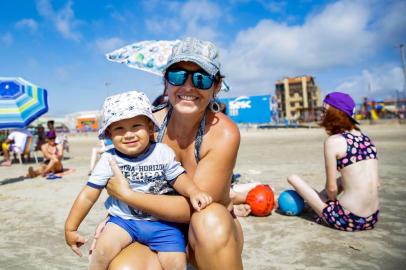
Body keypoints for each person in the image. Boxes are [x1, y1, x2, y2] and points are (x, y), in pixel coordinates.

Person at [88, 37, 244, 269]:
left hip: (206, 237)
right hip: (156, 229)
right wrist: (114, 219)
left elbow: (195, 207)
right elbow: (125, 175)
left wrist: (128, 196)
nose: (188, 87)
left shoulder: (223, 133)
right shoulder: (146, 126)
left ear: (216, 86)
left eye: (201, 78)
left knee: (209, 219)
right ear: (166, 80)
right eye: (178, 76)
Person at [65, 91, 213, 270]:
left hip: (164, 224)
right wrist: (71, 228)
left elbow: (178, 177)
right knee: (100, 252)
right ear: (110, 134)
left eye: (136, 126)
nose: (128, 134)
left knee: (176, 263)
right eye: (119, 128)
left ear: (150, 128)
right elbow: (88, 195)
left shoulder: (162, 152)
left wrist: (193, 191)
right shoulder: (108, 159)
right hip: (123, 222)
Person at [287, 92, 380, 231]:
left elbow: (331, 189)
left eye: (324, 111)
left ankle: (317, 206)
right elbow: (377, 183)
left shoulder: (333, 142)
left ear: (336, 113)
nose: (322, 115)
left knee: (292, 178)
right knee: (344, 179)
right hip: (372, 218)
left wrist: (330, 202)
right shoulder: (367, 139)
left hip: (348, 219)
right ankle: (319, 204)